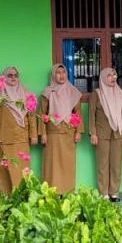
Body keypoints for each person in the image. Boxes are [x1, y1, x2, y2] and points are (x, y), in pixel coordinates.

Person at [0, 66, 38, 197]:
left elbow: (32, 116)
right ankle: (7, 199)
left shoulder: (27, 94)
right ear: (4, 77)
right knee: (5, 170)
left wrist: (33, 135)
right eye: (10, 75)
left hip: (21, 138)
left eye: (16, 75)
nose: (13, 78)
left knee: (21, 169)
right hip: (4, 138)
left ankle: (22, 199)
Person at [39, 64, 83, 194]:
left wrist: (78, 131)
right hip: (52, 134)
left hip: (68, 133)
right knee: (52, 165)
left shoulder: (73, 92)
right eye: (58, 73)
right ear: (53, 75)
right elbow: (42, 114)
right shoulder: (47, 92)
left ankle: (67, 192)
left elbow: (77, 113)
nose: (61, 75)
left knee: (67, 164)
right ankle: (52, 193)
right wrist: (43, 133)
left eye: (63, 72)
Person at [88, 67, 122, 202]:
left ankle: (114, 192)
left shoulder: (121, 95)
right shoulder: (97, 94)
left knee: (116, 164)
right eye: (109, 76)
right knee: (102, 164)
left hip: (118, 133)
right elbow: (91, 114)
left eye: (114, 75)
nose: (113, 78)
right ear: (103, 78)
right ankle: (104, 193)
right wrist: (93, 133)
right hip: (101, 134)